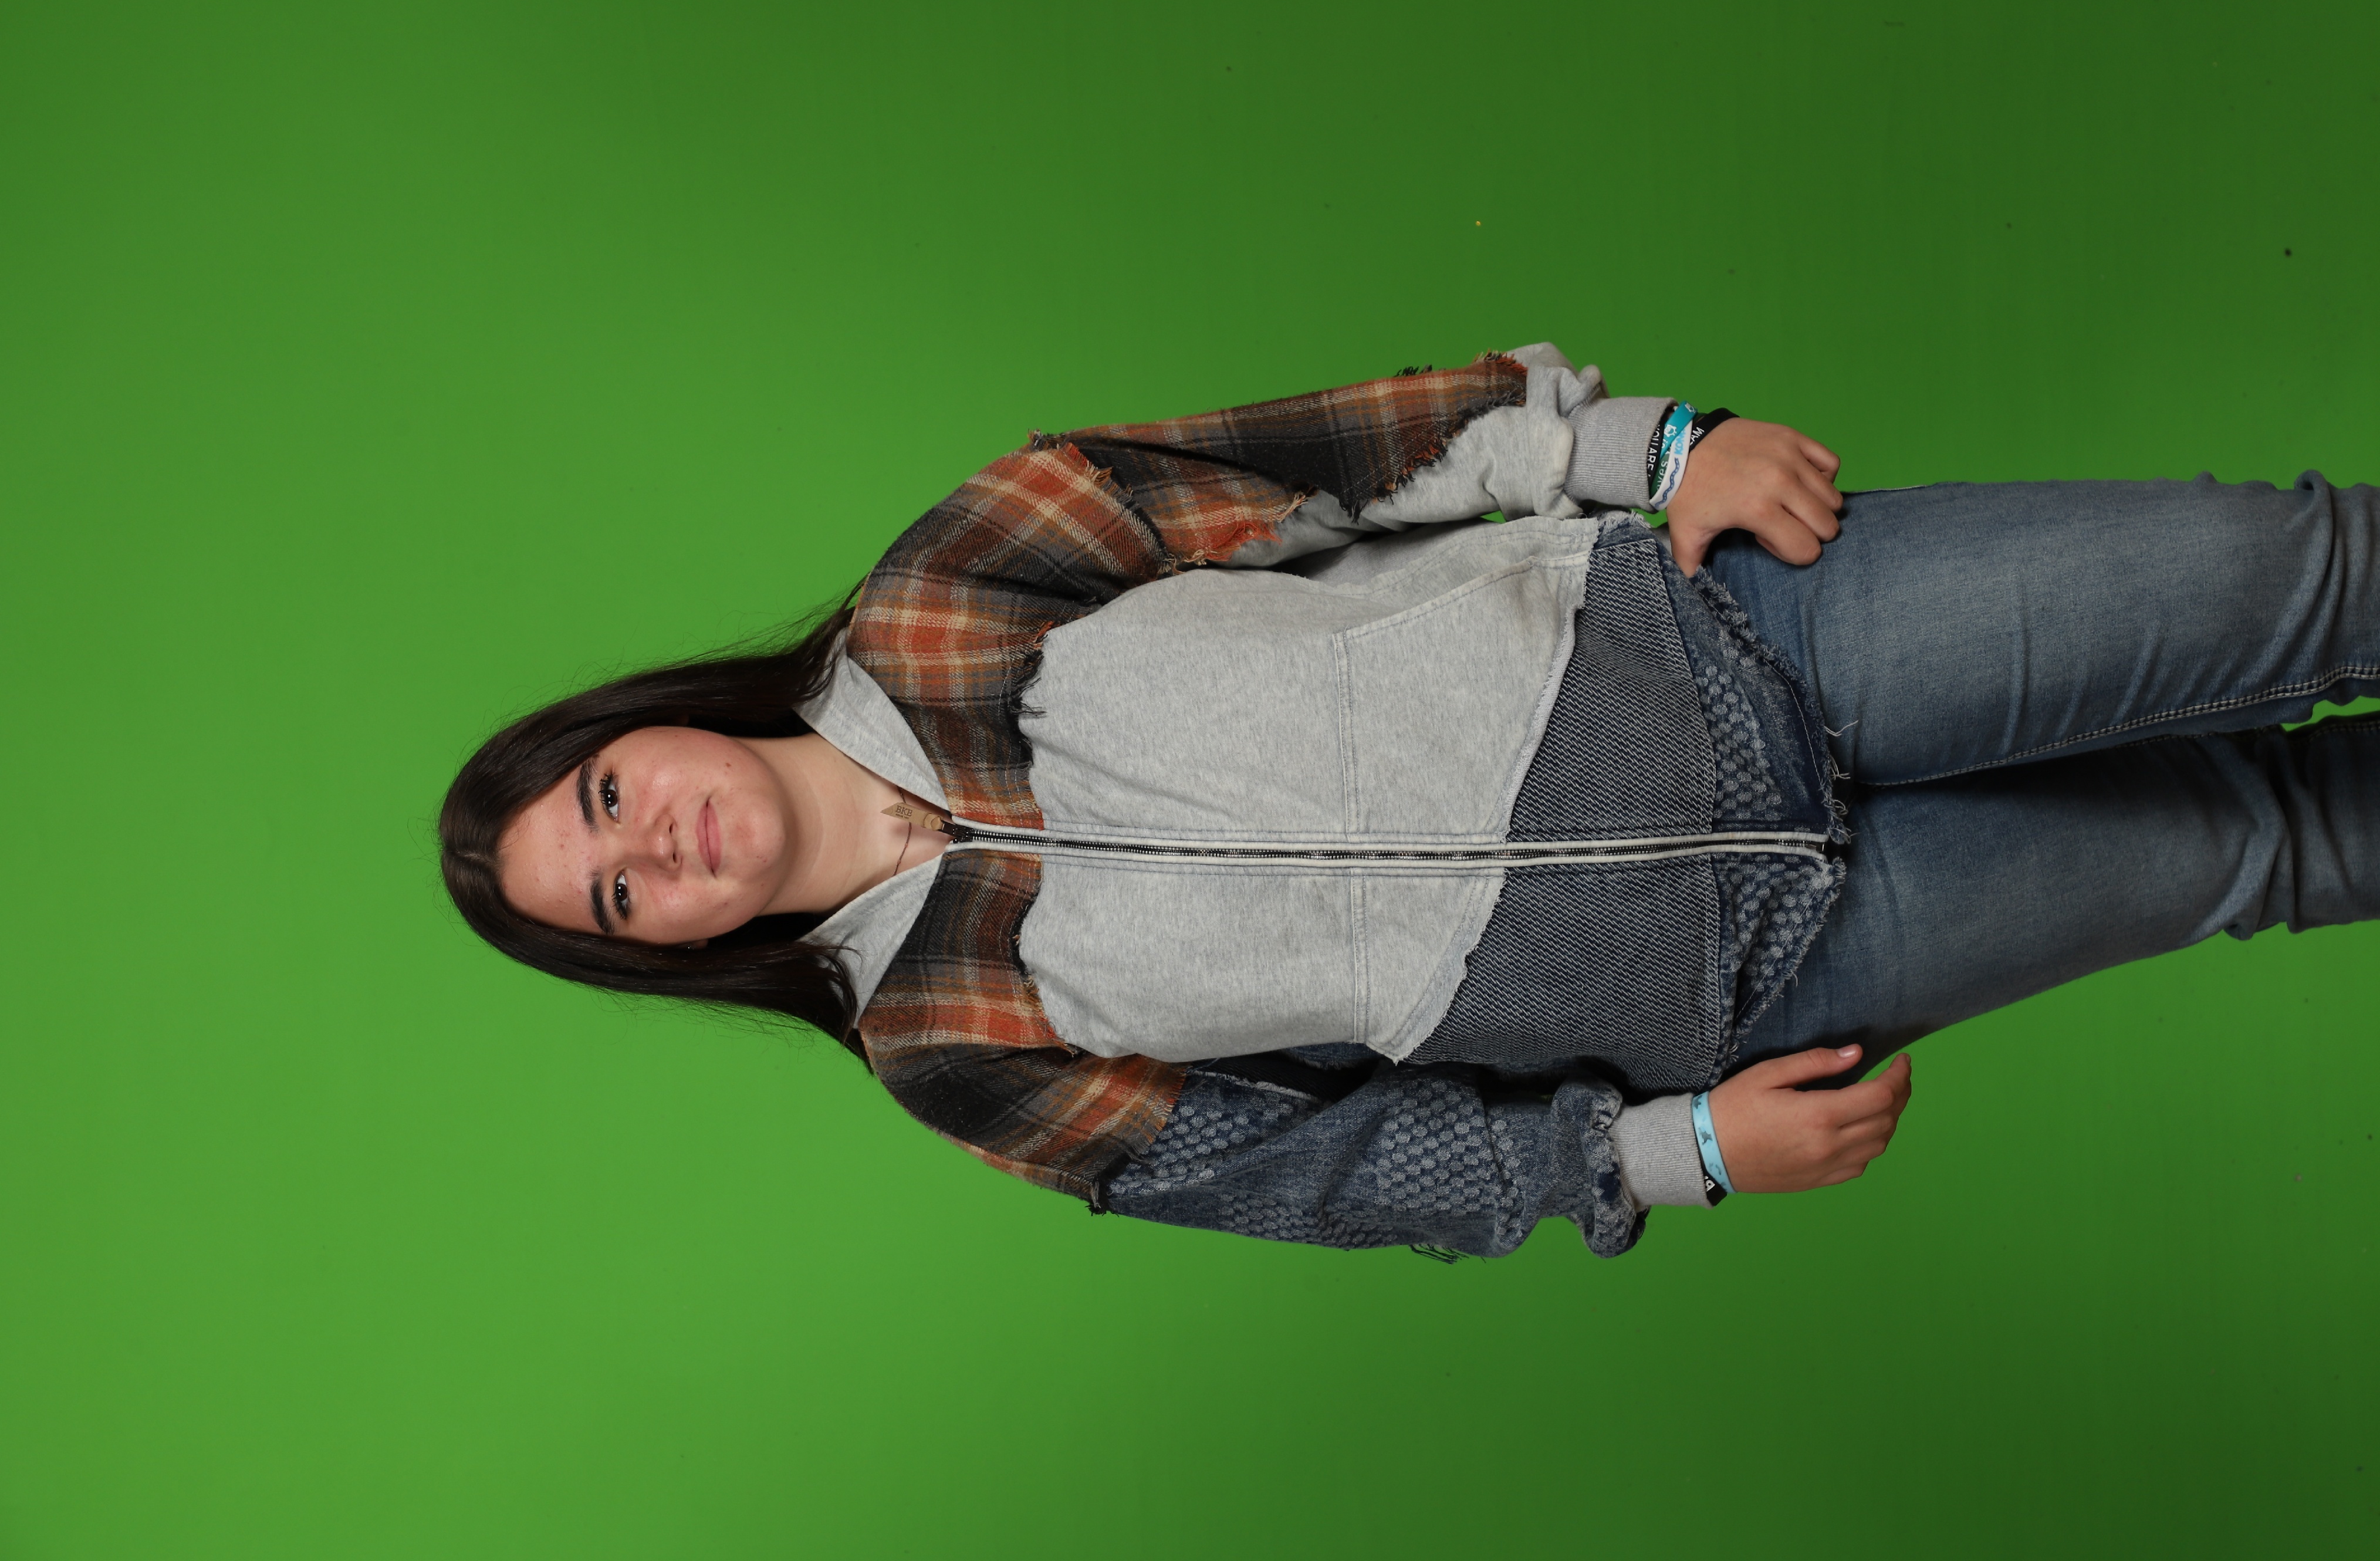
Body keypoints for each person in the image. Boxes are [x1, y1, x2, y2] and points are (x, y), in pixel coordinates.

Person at [440, 344, 2380, 1259]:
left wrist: (1650, 450)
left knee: (2284, 578)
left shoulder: (956, 580)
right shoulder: (955, 1056)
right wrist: (1670, 1156)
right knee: (2256, 846)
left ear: (650, 726)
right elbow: (1327, 1172)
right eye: (616, 895)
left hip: (1730, 630)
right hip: (1751, 971)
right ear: (672, 951)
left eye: (607, 797)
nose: (651, 844)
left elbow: (1314, 465)